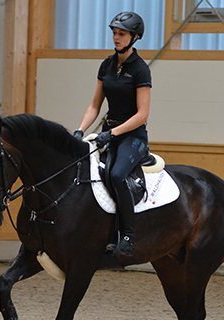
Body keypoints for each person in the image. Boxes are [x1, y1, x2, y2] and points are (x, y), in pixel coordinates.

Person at [74, 11, 151, 257]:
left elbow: (142, 114)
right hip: (108, 133)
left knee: (117, 175)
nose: (116, 38)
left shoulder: (140, 69)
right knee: (89, 172)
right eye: (114, 33)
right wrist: (80, 130)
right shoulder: (106, 65)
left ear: (134, 37)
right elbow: (94, 105)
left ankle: (128, 235)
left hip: (133, 137)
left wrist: (113, 133)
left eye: (121, 34)